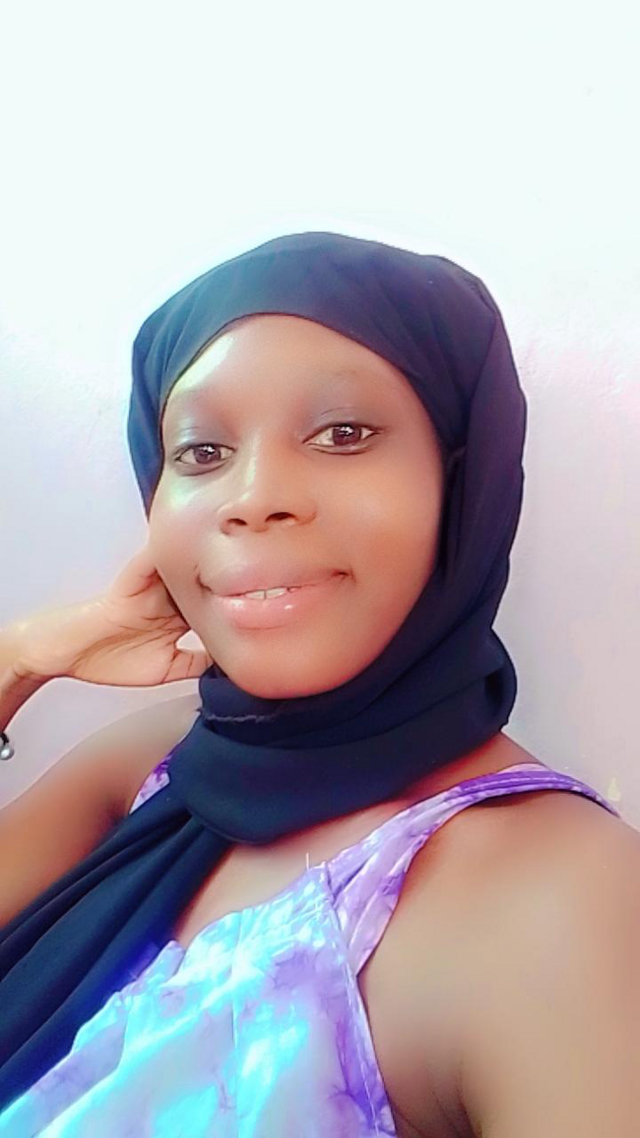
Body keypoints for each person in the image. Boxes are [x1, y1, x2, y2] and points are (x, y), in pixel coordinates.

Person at [0, 231, 638, 1136]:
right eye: (202, 452)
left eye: (344, 434)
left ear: (462, 484)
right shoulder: (167, 764)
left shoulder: (559, 902)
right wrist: (24, 656)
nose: (253, 496)